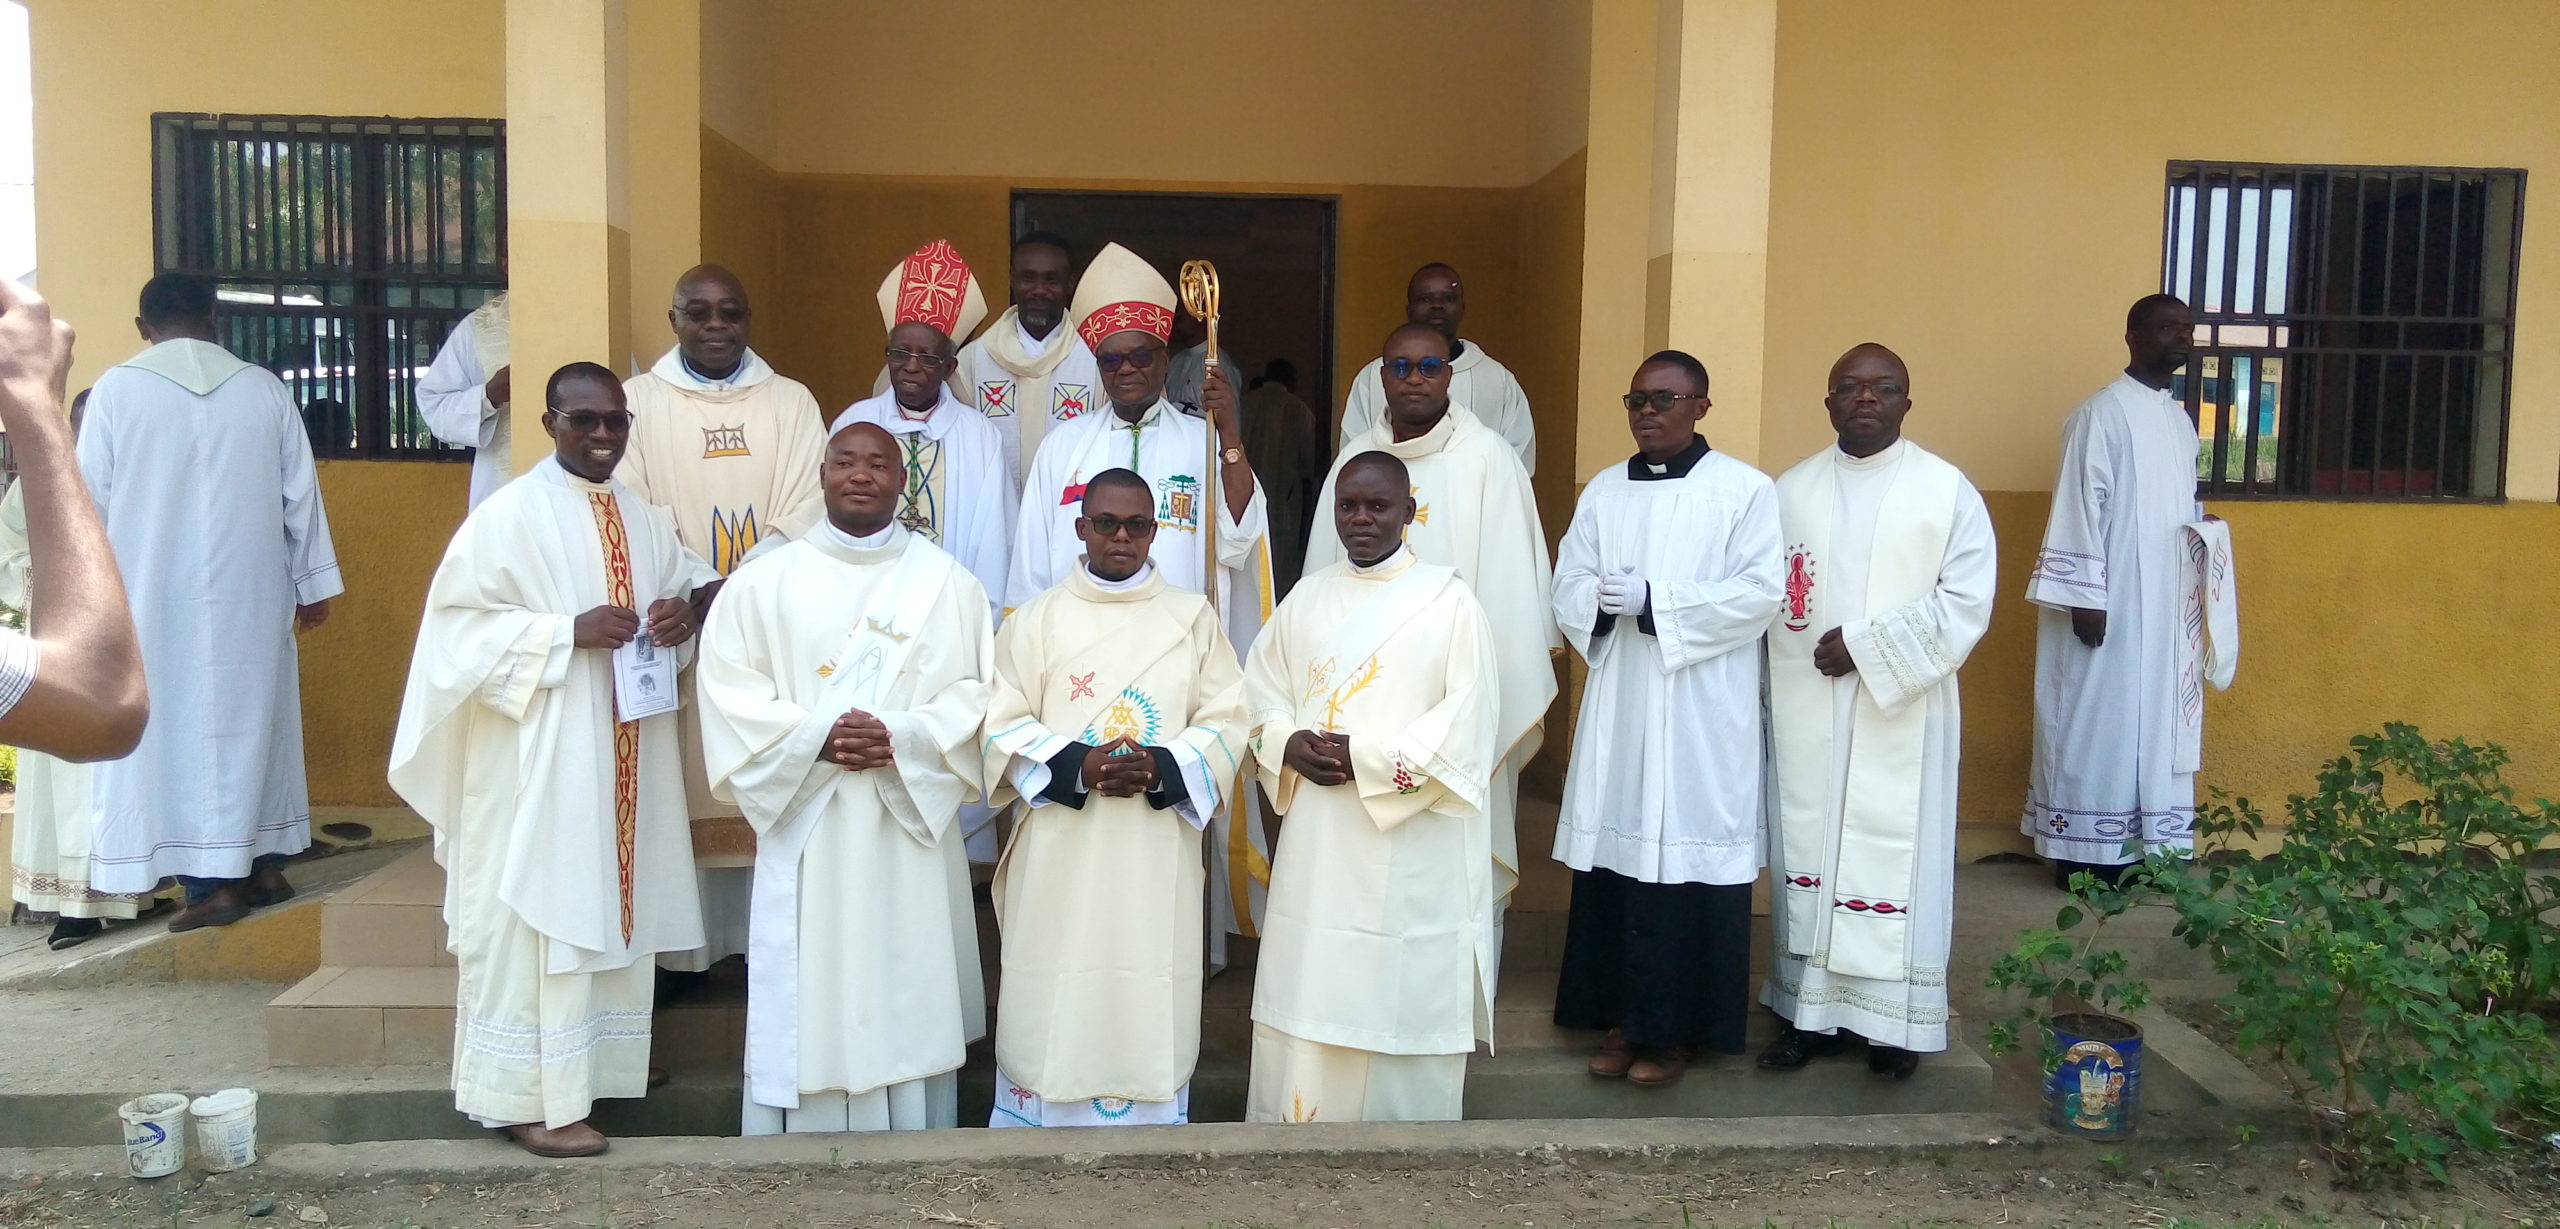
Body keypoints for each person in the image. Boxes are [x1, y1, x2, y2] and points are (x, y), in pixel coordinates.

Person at [388, 363, 713, 1158]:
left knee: (611, 900)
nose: (602, 435)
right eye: (584, 420)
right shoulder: (508, 516)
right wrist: (564, 632)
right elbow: (454, 633)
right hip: (537, 761)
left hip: (624, 750)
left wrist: (684, 613)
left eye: (615, 421)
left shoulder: (642, 516)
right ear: (549, 424)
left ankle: (598, 1062)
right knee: (541, 911)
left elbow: (692, 584)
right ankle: (527, 1095)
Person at [696, 421, 994, 1135]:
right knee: (813, 972)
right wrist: (816, 738)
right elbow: (730, 690)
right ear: (822, 474)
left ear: (901, 481)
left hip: (905, 824)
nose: (861, 475)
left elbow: (977, 695)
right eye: (845, 461)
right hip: (810, 824)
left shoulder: (947, 585)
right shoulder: (763, 581)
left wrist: (901, 737)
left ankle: (912, 1130)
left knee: (903, 970)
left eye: (879, 464)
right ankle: (804, 1133)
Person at [1011, 241, 1274, 950]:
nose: (1126, 369)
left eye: (1141, 356)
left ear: (1166, 360)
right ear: (1096, 366)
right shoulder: (1063, 447)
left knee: (1169, 826)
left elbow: (1240, 539)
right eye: (1111, 360)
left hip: (1176, 661)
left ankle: (1185, 952)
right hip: (1075, 668)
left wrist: (1229, 431)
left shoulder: (1199, 440)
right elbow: (1030, 573)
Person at [1759, 344, 1996, 1080]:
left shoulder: (1946, 491)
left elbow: (1967, 602)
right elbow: (1761, 596)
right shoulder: (1788, 492)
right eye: (1851, 387)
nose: (1866, 397)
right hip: (1808, 710)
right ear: (1828, 400)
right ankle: (1808, 1017)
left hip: (1903, 715)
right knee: (1810, 851)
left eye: (1884, 387)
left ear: (1906, 403)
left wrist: (1866, 647)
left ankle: (1893, 1027)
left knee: (1897, 859)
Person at [982, 467, 1246, 1128]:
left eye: (1136, 525)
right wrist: (1078, 764)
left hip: (1154, 845)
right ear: (1082, 528)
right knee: (1055, 973)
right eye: (1106, 523)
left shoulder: (1193, 618)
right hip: (1061, 844)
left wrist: (1161, 766)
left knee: (1148, 967)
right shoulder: (1037, 619)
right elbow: (998, 722)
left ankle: (1149, 1123)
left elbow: (1229, 718)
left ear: (1156, 531)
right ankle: (1041, 1120)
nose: (1121, 537)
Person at [76, 273, 340, 933]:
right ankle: (266, 864)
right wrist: (312, 585)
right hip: (252, 591)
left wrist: (85, 601)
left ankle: (210, 887)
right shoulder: (263, 389)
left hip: (150, 595)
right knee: (257, 720)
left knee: (178, 734)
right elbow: (300, 493)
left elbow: (87, 505)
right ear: (213, 317)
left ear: (143, 327)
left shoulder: (115, 392)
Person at [1242, 451, 1500, 1123]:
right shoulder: (1307, 597)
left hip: (1407, 840)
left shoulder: (1449, 603)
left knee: (1395, 985)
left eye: (1378, 506)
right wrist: (1285, 742)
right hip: (1319, 839)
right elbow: (1258, 693)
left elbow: (1467, 722)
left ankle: (1404, 1143)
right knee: (1314, 977)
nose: (1360, 518)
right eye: (1348, 505)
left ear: (1408, 512)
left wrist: (1369, 760)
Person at [1549, 350, 1782, 1085]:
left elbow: (1761, 592)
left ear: (1701, 406)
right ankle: (1622, 1019)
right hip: (1624, 705)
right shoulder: (1604, 491)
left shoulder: (1744, 491)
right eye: (1636, 400)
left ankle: (1677, 1033)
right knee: (1621, 854)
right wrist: (1594, 599)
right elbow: (1568, 578)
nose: (1647, 412)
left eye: (1665, 399)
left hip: (1701, 711)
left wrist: (1658, 601)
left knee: (1687, 855)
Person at [1306, 324, 1556, 934]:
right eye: (1399, 367)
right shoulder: (1353, 463)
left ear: (1450, 375)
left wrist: (1476, 703)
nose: (1413, 379)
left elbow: (1512, 603)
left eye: (1428, 367)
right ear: (1380, 378)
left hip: (1456, 704)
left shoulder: (1489, 460)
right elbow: (1319, 598)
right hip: (1364, 706)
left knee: (1456, 868)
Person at [619, 263, 829, 967]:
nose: (716, 326)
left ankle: (762, 951)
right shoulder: (637, 404)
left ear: (748, 319)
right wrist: (699, 583)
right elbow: (631, 504)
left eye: (730, 312)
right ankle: (684, 954)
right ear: (672, 319)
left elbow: (809, 502)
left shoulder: (791, 402)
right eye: (698, 312)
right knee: (679, 777)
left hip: (767, 621)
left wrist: (738, 585)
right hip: (681, 619)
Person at [2024, 294, 2224, 889]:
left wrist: (2203, 535)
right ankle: (2085, 857)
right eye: (2167, 328)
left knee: (2158, 720)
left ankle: (2147, 852)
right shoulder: (2101, 414)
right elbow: (2079, 504)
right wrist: (2085, 596)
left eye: (2188, 329)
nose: (2182, 338)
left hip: (2165, 605)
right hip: (2107, 603)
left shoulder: (2179, 421)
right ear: (2132, 336)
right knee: (2097, 721)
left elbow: (2173, 506)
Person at [3, 391, 162, 948]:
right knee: (69, 776)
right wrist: (57, 584)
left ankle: (136, 892)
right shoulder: (43, 484)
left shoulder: (141, 477)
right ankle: (76, 907)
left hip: (128, 651)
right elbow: (7, 549)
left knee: (128, 765)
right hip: (60, 654)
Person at [0, 281, 146, 765]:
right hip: (65, 657)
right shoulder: (40, 486)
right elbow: (101, 700)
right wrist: (35, 407)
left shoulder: (128, 479)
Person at [832, 240, 1012, 622]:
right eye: (900, 353)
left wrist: (979, 621)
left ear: (949, 368)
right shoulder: (854, 424)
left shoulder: (980, 437)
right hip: (860, 606)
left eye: (927, 357)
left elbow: (993, 542)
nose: (911, 367)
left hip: (947, 613)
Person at [1337, 264, 1535, 474]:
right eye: (1424, 299)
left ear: (1462, 308)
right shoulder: (1371, 377)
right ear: (1409, 310)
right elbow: (1354, 453)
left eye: (1448, 299)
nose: (1437, 306)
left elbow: (1516, 464)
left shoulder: (1497, 379)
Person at [955, 232, 1099, 493]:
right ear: (1012, 279)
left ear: (1070, 283)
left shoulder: (1096, 359)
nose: (1039, 290)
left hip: (1073, 512)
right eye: (1028, 278)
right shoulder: (973, 361)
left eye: (1051, 280)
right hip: (994, 510)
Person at [415, 291, 512, 507]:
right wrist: (488, 396)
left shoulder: (586, 313)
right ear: (505, 270)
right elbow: (435, 406)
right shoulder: (480, 326)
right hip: (502, 490)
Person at [1239, 358, 1325, 594]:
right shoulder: (1297, 409)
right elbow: (1309, 460)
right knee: (1281, 558)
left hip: (1242, 490)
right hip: (1283, 494)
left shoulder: (1244, 404)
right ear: (1293, 381)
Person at [1164, 309, 1247, 416]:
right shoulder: (1175, 362)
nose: (1173, 325)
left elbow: (1230, 417)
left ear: (1200, 316)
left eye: (1179, 319)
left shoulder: (1220, 364)